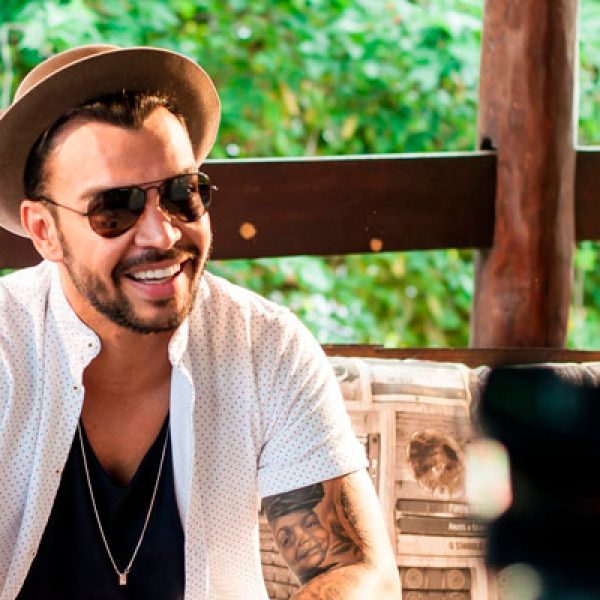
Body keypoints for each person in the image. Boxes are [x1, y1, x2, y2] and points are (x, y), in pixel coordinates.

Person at [0, 45, 400, 599]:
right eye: (113, 208)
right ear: (44, 231)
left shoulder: (265, 346)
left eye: (181, 194)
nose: (162, 234)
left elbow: (357, 571)